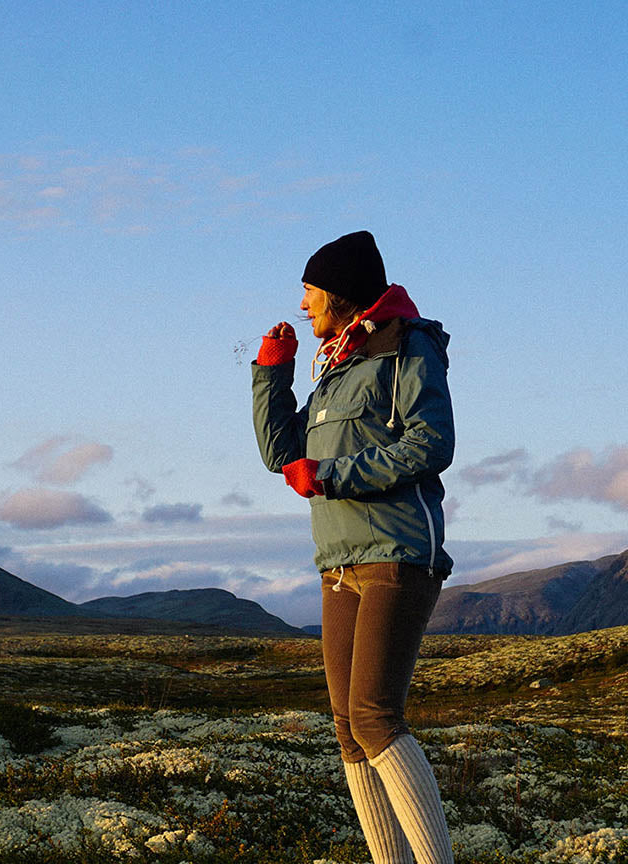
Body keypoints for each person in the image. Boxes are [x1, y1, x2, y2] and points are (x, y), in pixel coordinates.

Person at [252, 231, 455, 864]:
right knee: (347, 731)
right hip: (338, 562)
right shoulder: (336, 367)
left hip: (396, 553)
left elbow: (432, 444)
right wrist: (272, 373)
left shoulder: (407, 349)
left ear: (340, 293)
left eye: (310, 290)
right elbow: (281, 455)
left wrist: (336, 475)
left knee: (373, 717)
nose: (304, 303)